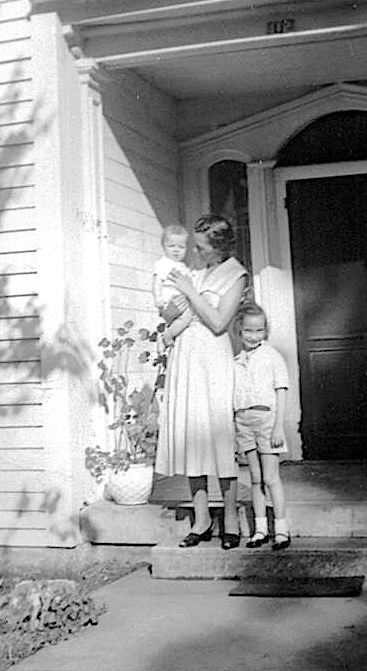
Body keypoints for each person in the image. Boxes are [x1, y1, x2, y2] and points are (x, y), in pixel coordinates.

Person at [155, 214, 248, 550]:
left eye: (202, 247)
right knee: (193, 435)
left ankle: (232, 518)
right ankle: (202, 518)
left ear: (218, 246)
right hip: (187, 357)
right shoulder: (195, 273)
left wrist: (191, 293)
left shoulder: (235, 274)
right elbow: (178, 313)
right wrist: (172, 309)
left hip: (212, 358)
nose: (196, 254)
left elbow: (220, 321)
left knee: (218, 436)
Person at [233, 302, 291, 551]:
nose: (253, 336)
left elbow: (281, 391)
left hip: (267, 421)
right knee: (255, 478)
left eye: (258, 331)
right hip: (243, 421)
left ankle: (281, 529)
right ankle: (260, 530)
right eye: (248, 330)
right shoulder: (235, 360)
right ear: (239, 330)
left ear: (265, 332)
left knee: (270, 477)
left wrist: (278, 427)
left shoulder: (272, 356)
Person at [152, 225, 193, 326]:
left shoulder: (184, 267)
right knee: (182, 320)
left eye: (181, 247)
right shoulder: (164, 263)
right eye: (171, 246)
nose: (176, 250)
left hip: (182, 302)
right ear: (163, 246)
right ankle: (168, 336)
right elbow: (157, 282)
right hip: (168, 302)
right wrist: (158, 298)